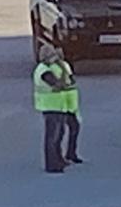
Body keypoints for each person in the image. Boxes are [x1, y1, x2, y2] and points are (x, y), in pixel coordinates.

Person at [33, 44, 71, 174]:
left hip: (59, 106)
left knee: (59, 134)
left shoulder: (51, 68)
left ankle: (58, 159)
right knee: (52, 137)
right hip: (50, 107)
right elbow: (57, 84)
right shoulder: (43, 70)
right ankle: (52, 164)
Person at [59, 50, 84, 165]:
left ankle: (71, 153)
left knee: (74, 128)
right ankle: (60, 157)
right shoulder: (50, 69)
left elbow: (71, 79)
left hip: (69, 104)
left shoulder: (64, 65)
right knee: (58, 133)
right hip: (58, 105)